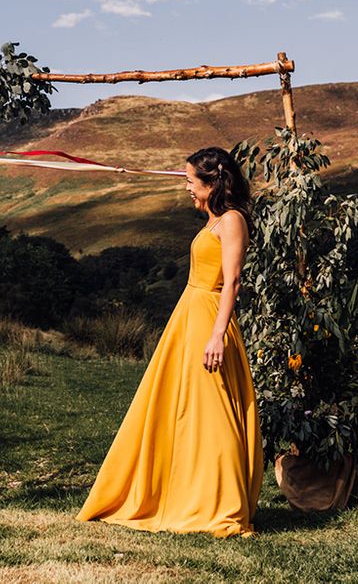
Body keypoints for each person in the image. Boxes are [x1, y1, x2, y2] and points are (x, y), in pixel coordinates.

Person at [77, 146, 263, 537]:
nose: (186, 189)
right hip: (188, 319)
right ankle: (181, 491)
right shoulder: (214, 220)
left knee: (215, 416)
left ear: (212, 183)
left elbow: (231, 282)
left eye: (190, 181)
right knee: (182, 412)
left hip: (209, 320)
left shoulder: (232, 221)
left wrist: (217, 334)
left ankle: (223, 505)